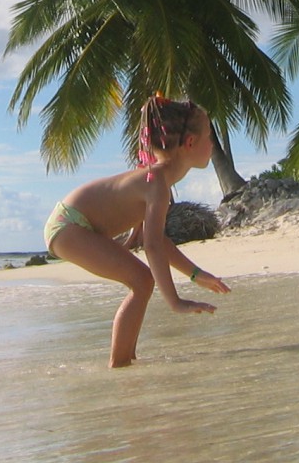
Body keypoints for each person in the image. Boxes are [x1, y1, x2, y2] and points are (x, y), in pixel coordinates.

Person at [42, 95, 232, 367]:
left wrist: (195, 274)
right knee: (142, 281)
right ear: (190, 143)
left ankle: (127, 364)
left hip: (71, 223)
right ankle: (118, 366)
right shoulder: (156, 183)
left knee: (142, 281)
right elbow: (151, 246)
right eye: (209, 137)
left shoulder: (155, 180)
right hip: (69, 225)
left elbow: (157, 241)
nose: (212, 144)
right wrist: (175, 302)